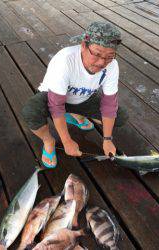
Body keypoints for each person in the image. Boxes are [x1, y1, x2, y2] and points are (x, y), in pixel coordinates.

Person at [22, 21, 128, 168]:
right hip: (52, 98)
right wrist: (66, 141)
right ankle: (48, 141)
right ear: (83, 45)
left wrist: (107, 139)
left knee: (120, 117)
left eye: (109, 56)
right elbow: (56, 105)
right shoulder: (65, 60)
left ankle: (74, 114)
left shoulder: (112, 65)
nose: (102, 62)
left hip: (83, 99)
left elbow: (109, 104)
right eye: (97, 54)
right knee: (30, 112)